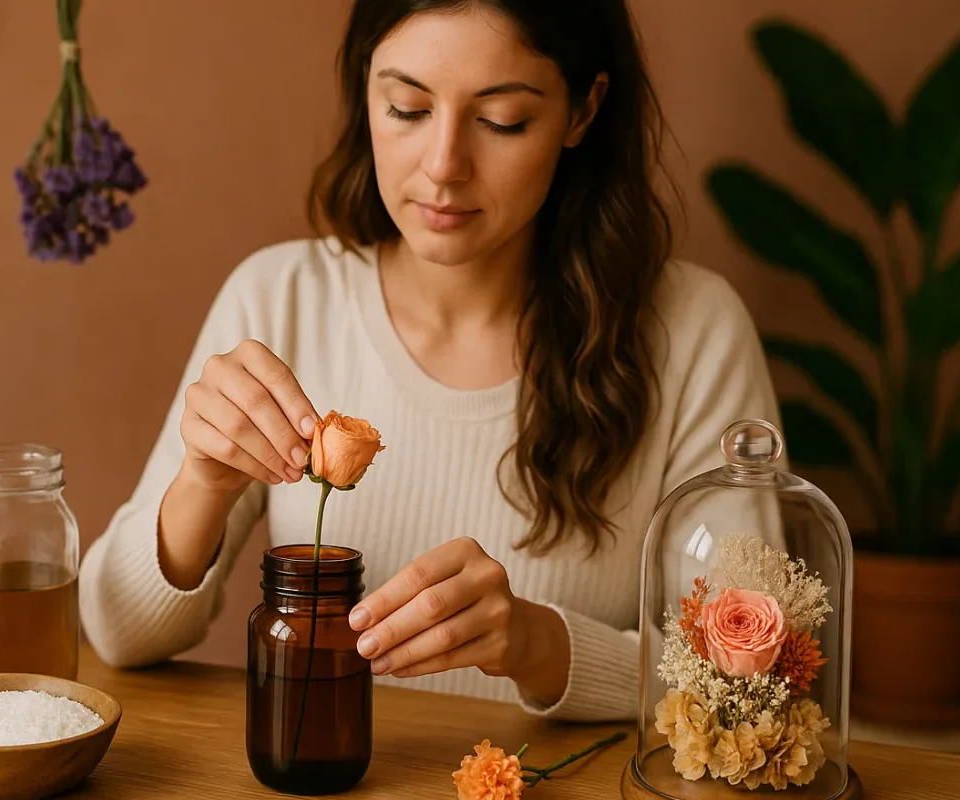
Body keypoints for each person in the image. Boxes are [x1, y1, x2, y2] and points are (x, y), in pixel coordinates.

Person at [78, 0, 778, 722]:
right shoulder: (279, 298)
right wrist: (202, 483)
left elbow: (757, 681)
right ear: (365, 91)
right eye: (407, 108)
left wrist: (540, 645)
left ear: (581, 111)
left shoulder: (693, 331)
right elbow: (119, 634)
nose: (444, 167)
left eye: (503, 120)